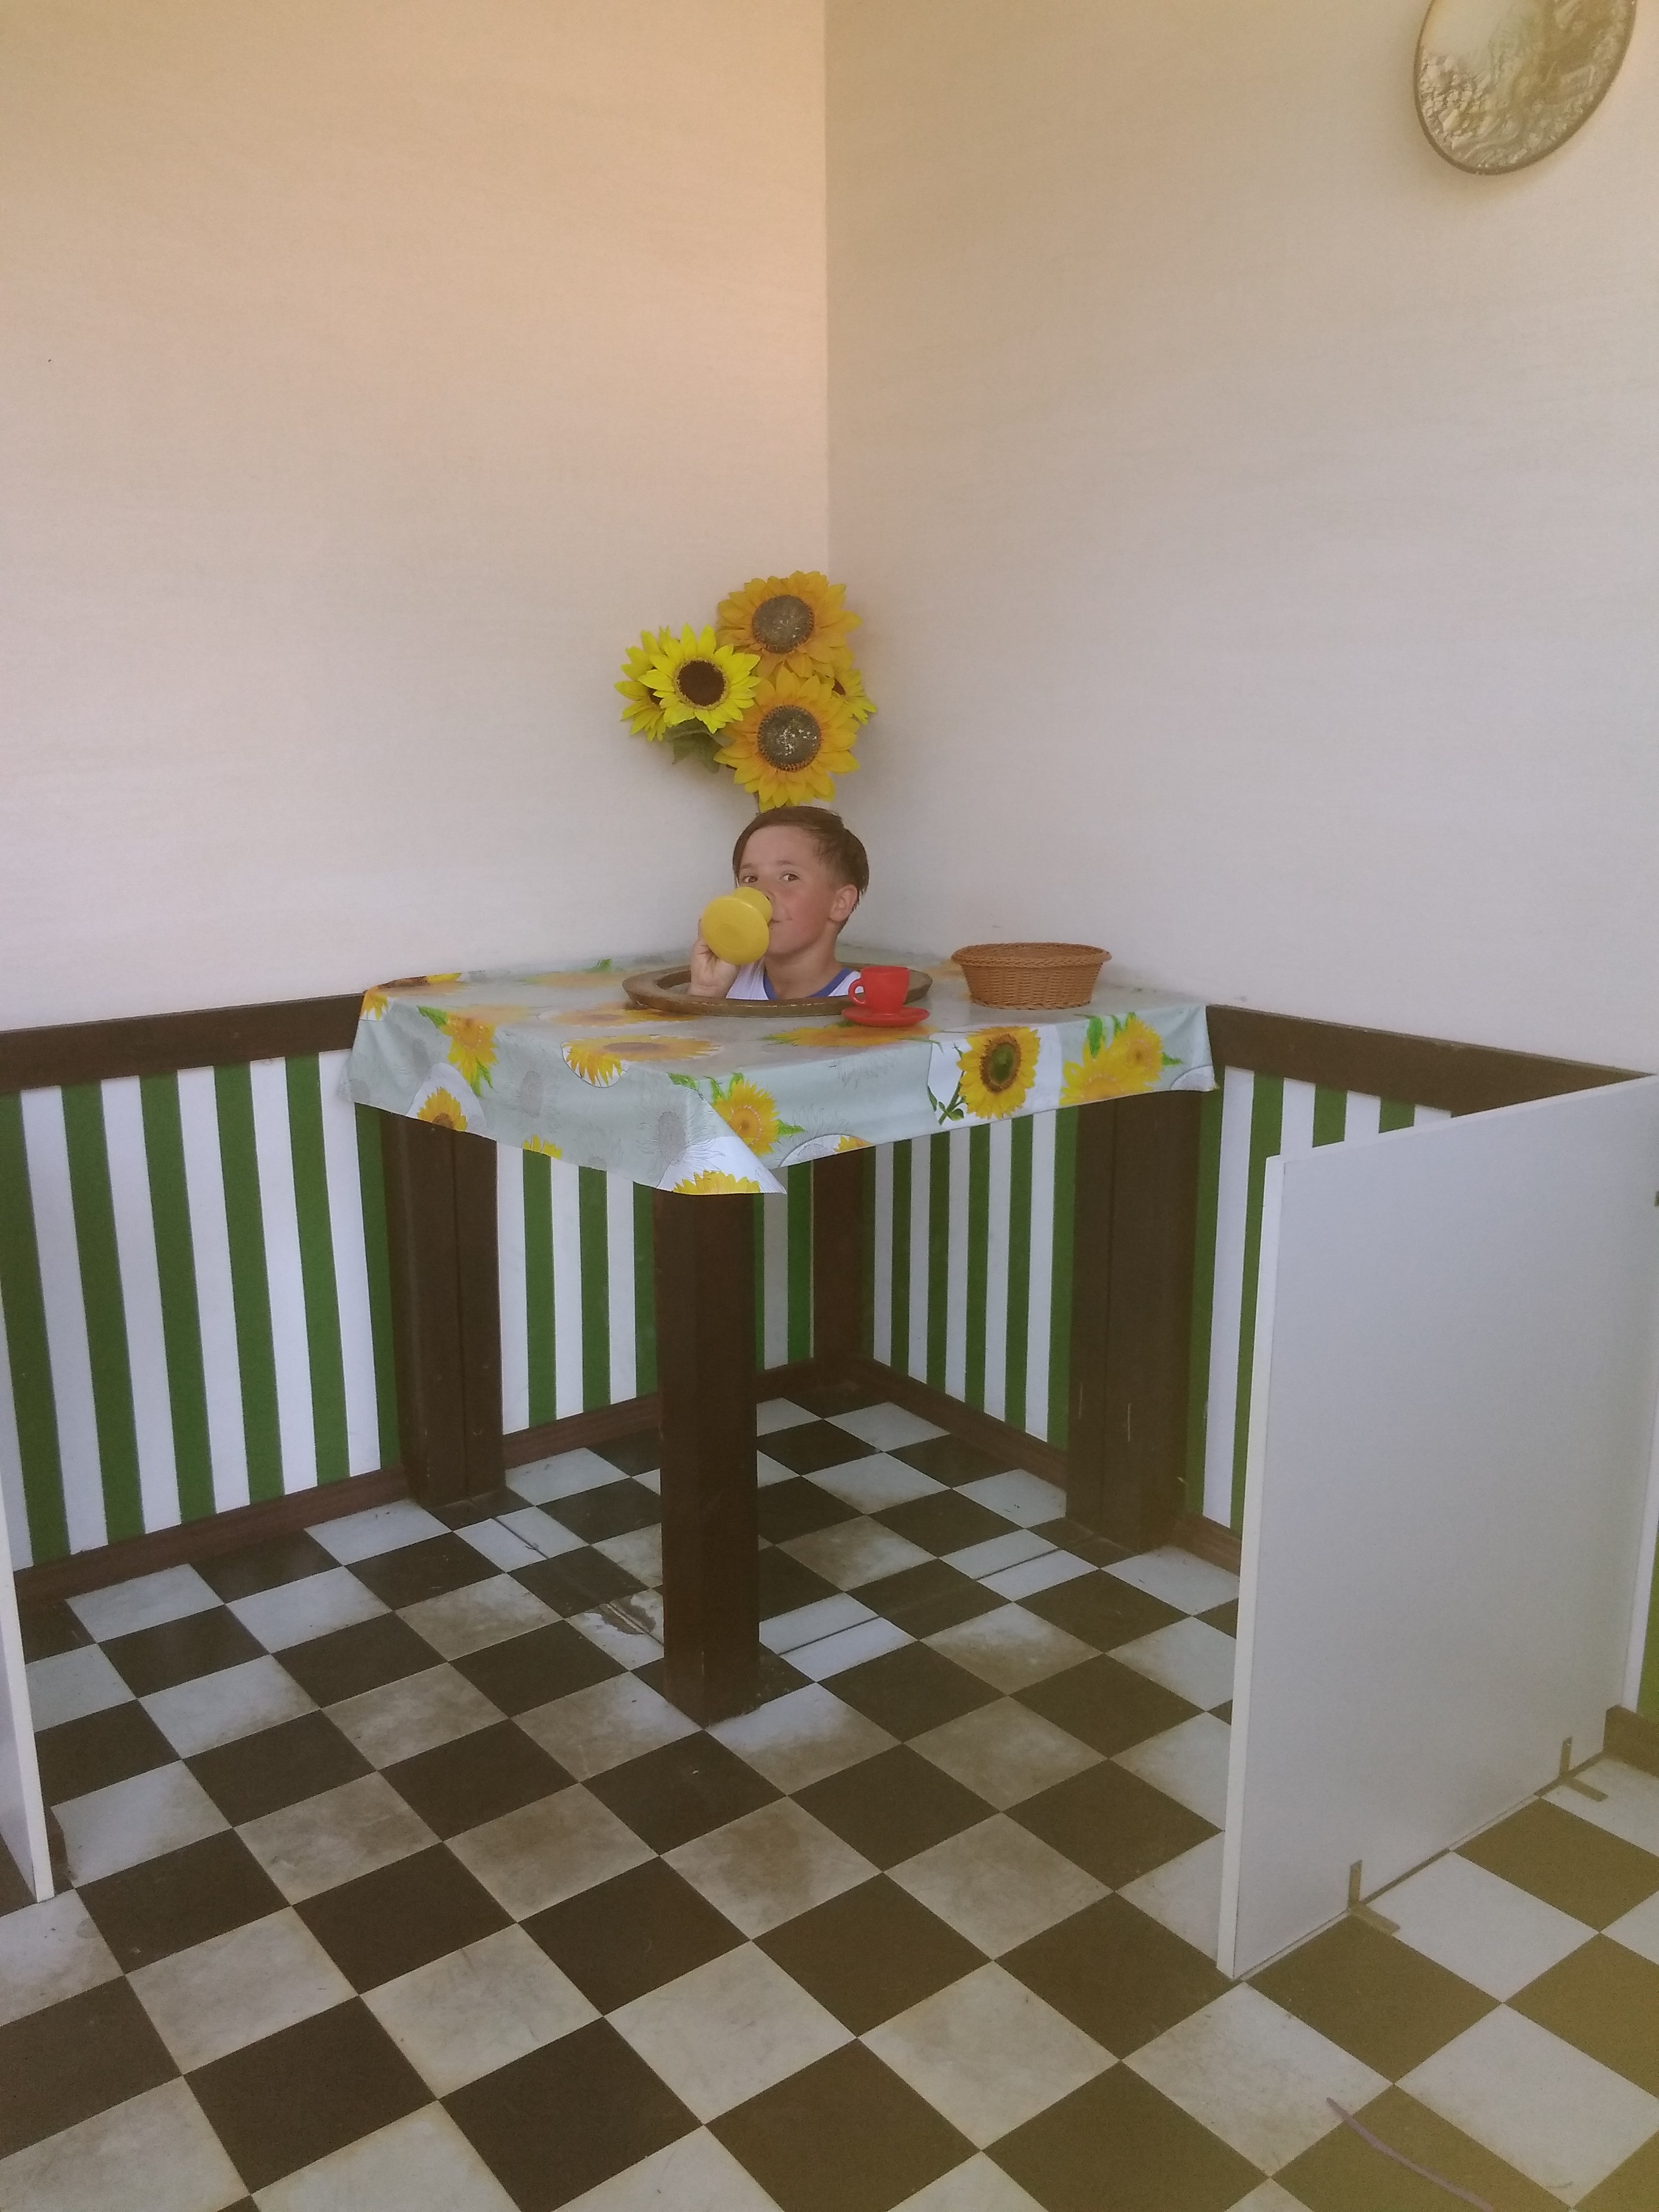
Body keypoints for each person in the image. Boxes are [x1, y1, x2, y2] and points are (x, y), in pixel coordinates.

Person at [690, 805, 869, 1002]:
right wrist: (706, 991)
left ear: (840, 903)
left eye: (789, 877)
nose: (761, 892)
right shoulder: (726, 980)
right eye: (751, 879)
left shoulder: (865, 999)